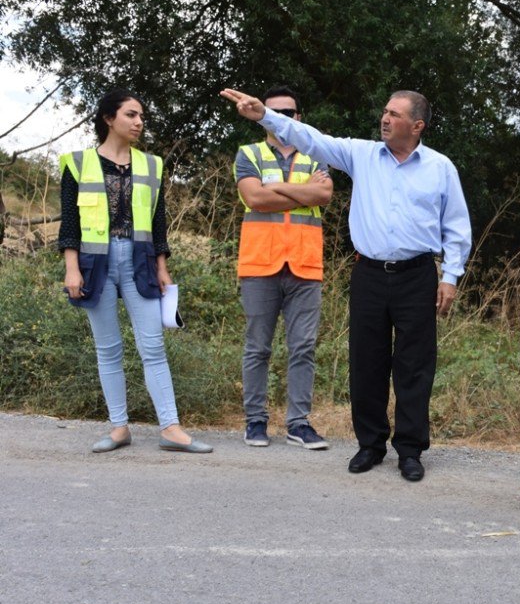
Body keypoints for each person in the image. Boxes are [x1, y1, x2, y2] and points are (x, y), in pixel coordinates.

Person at [221, 87, 471, 482]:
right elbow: (311, 139)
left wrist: (451, 277)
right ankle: (370, 445)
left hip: (418, 275)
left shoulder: (440, 167)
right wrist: (263, 117)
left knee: (414, 366)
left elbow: (457, 226)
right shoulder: (362, 154)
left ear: (417, 125)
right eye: (384, 111)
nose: (385, 119)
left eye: (395, 114)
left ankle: (410, 450)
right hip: (370, 274)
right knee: (367, 362)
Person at [58, 88, 212, 454]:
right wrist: (71, 269)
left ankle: (171, 429)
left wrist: (162, 266)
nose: (139, 122)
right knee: (108, 349)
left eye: (141, 116)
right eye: (131, 115)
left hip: (139, 261)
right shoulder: (76, 163)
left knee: (153, 346)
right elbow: (70, 224)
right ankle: (118, 428)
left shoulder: (151, 165)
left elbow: (159, 223)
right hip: (94, 263)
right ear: (109, 119)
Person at [234, 85, 333, 450]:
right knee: (258, 347)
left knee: (303, 347)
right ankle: (255, 422)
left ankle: (298, 423)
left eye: (289, 113)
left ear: (298, 118)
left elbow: (324, 195)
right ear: (262, 115)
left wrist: (282, 193)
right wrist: (303, 190)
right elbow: (254, 198)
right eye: (274, 112)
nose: (283, 119)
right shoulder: (249, 154)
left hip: (305, 265)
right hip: (260, 263)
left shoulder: (314, 153)